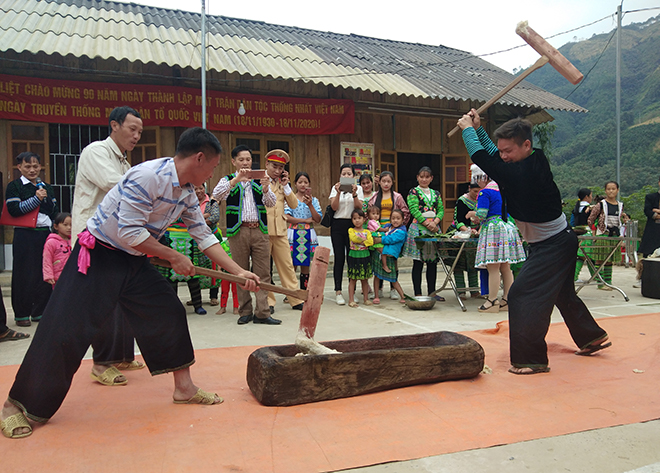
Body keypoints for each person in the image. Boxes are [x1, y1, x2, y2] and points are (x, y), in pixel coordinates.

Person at [0, 127, 261, 439]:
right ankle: (16, 407)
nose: (213, 172)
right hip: (99, 255)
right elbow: (128, 232)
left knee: (169, 311)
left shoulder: (188, 191)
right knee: (64, 329)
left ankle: (184, 388)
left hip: (134, 259)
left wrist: (237, 271)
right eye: (214, 165)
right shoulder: (148, 176)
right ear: (199, 158)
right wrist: (173, 256)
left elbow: (203, 234)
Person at [458, 110, 610, 375]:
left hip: (553, 244)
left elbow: (486, 159)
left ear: (526, 145)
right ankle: (591, 337)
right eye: (502, 150)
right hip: (556, 242)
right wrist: (480, 129)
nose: (504, 155)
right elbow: (496, 157)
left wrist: (467, 131)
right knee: (562, 294)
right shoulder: (528, 160)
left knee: (520, 294)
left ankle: (531, 359)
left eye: (509, 151)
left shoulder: (525, 172)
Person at [71, 106, 145, 386]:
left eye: (139, 131)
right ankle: (102, 363)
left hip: (117, 239)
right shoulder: (96, 152)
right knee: (104, 300)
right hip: (93, 239)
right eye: (132, 129)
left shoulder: (125, 163)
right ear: (114, 125)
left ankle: (123, 355)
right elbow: (115, 186)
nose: (136, 136)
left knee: (123, 296)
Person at [213, 145, 278, 324]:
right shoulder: (228, 179)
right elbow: (217, 195)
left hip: (260, 230)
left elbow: (271, 203)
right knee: (240, 272)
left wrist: (266, 189)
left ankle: (263, 313)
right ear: (233, 161)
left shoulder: (260, 180)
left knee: (263, 272)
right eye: (241, 159)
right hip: (237, 231)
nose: (245, 163)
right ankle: (245, 312)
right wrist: (236, 180)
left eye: (248, 159)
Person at [6, 151, 58, 327]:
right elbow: (14, 209)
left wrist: (45, 199)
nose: (32, 169)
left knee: (44, 272)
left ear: (40, 167)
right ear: (19, 167)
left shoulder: (46, 187)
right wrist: (36, 198)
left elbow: (53, 211)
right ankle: (22, 314)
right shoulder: (14, 186)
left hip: (45, 233)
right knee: (24, 274)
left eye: (35, 166)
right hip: (25, 234)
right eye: (27, 166)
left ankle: (40, 311)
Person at [465, 169, 526, 313]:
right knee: (506, 267)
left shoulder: (485, 192)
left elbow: (482, 214)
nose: (477, 181)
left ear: (484, 178)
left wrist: (472, 214)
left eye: (478, 178)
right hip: (506, 227)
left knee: (493, 268)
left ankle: (492, 301)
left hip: (493, 229)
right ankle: (507, 300)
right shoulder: (504, 191)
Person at [264, 150, 305, 313]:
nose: (277, 170)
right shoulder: (259, 181)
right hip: (264, 230)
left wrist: (286, 185)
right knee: (264, 269)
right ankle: (269, 301)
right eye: (274, 166)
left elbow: (294, 205)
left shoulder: (283, 184)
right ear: (266, 164)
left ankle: (295, 298)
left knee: (287, 266)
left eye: (281, 167)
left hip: (280, 230)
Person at [401, 166, 443, 299]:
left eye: (427, 177)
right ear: (417, 177)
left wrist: (435, 222)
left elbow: (440, 209)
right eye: (421, 176)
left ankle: (432, 292)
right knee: (418, 262)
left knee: (432, 263)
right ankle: (418, 293)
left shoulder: (436, 193)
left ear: (431, 178)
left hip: (433, 229)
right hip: (418, 228)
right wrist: (426, 223)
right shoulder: (413, 192)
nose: (424, 179)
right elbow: (413, 209)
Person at [368, 171, 410, 300]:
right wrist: (375, 227)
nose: (386, 184)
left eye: (389, 181)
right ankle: (379, 289)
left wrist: (398, 226)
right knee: (378, 258)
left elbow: (405, 212)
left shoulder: (397, 197)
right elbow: (369, 212)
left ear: (392, 183)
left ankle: (393, 289)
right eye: (383, 181)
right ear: (379, 182)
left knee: (392, 260)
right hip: (378, 230)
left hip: (392, 230)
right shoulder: (374, 197)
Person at [329, 163, 364, 305]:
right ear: (340, 175)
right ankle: (338, 291)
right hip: (337, 225)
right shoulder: (335, 187)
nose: (346, 176)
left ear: (353, 176)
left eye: (349, 174)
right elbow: (334, 207)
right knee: (339, 258)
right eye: (344, 173)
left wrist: (354, 193)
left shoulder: (359, 189)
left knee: (352, 258)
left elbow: (359, 208)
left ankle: (352, 291)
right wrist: (338, 192)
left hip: (352, 225)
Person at [587, 181, 629, 290]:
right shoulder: (601, 204)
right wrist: (594, 232)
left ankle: (608, 281)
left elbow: (619, 220)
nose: (611, 191)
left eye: (613, 189)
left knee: (610, 260)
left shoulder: (620, 205)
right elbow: (591, 219)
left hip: (614, 235)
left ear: (617, 190)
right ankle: (600, 283)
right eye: (609, 189)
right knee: (600, 259)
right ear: (605, 191)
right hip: (603, 234)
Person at [285, 171, 322, 290]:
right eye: (300, 182)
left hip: (308, 234)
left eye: (305, 182)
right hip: (293, 234)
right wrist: (304, 220)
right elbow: (286, 217)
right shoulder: (290, 199)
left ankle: (303, 291)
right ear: (295, 184)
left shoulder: (314, 200)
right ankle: (291, 293)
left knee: (306, 264)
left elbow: (317, 219)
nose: (303, 185)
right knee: (292, 264)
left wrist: (310, 204)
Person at [446, 181, 481, 298]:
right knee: (458, 262)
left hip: (474, 235)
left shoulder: (482, 200)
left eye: (479, 191)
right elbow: (458, 220)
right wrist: (467, 230)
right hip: (460, 233)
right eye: (475, 191)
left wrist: (478, 231)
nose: (477, 194)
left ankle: (474, 290)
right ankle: (461, 291)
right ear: (469, 189)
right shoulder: (462, 201)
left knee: (473, 262)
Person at [372, 209, 408, 303]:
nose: (395, 220)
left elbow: (391, 239)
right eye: (393, 218)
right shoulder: (387, 227)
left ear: (403, 220)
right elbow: (379, 232)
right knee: (377, 276)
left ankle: (403, 296)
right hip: (379, 254)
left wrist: (380, 240)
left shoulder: (402, 232)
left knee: (393, 279)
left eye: (398, 218)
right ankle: (376, 296)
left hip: (390, 256)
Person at [347, 209, 374, 308]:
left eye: (359, 218)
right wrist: (364, 241)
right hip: (354, 255)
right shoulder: (351, 230)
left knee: (365, 279)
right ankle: (351, 300)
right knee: (353, 279)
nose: (357, 220)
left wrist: (363, 242)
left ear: (364, 219)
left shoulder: (367, 231)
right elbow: (354, 238)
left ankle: (366, 299)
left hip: (365, 255)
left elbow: (371, 242)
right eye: (354, 218)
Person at [42, 212, 72, 286]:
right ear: (56, 226)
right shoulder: (51, 242)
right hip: (58, 277)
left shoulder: (74, 240)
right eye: (65, 225)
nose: (69, 228)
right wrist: (48, 275)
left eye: (71, 225)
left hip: (72, 276)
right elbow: (47, 260)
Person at [572, 188, 594, 282]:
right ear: (587, 197)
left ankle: (595, 276)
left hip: (577, 232)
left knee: (582, 255)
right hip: (587, 232)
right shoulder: (589, 208)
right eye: (591, 195)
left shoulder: (576, 208)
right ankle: (575, 277)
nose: (591, 198)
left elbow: (572, 222)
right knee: (587, 256)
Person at [639, 176, 660, 258]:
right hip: (652, 229)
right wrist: (655, 215)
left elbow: (652, 210)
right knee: (649, 254)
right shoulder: (650, 197)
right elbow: (647, 210)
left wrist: (657, 211)